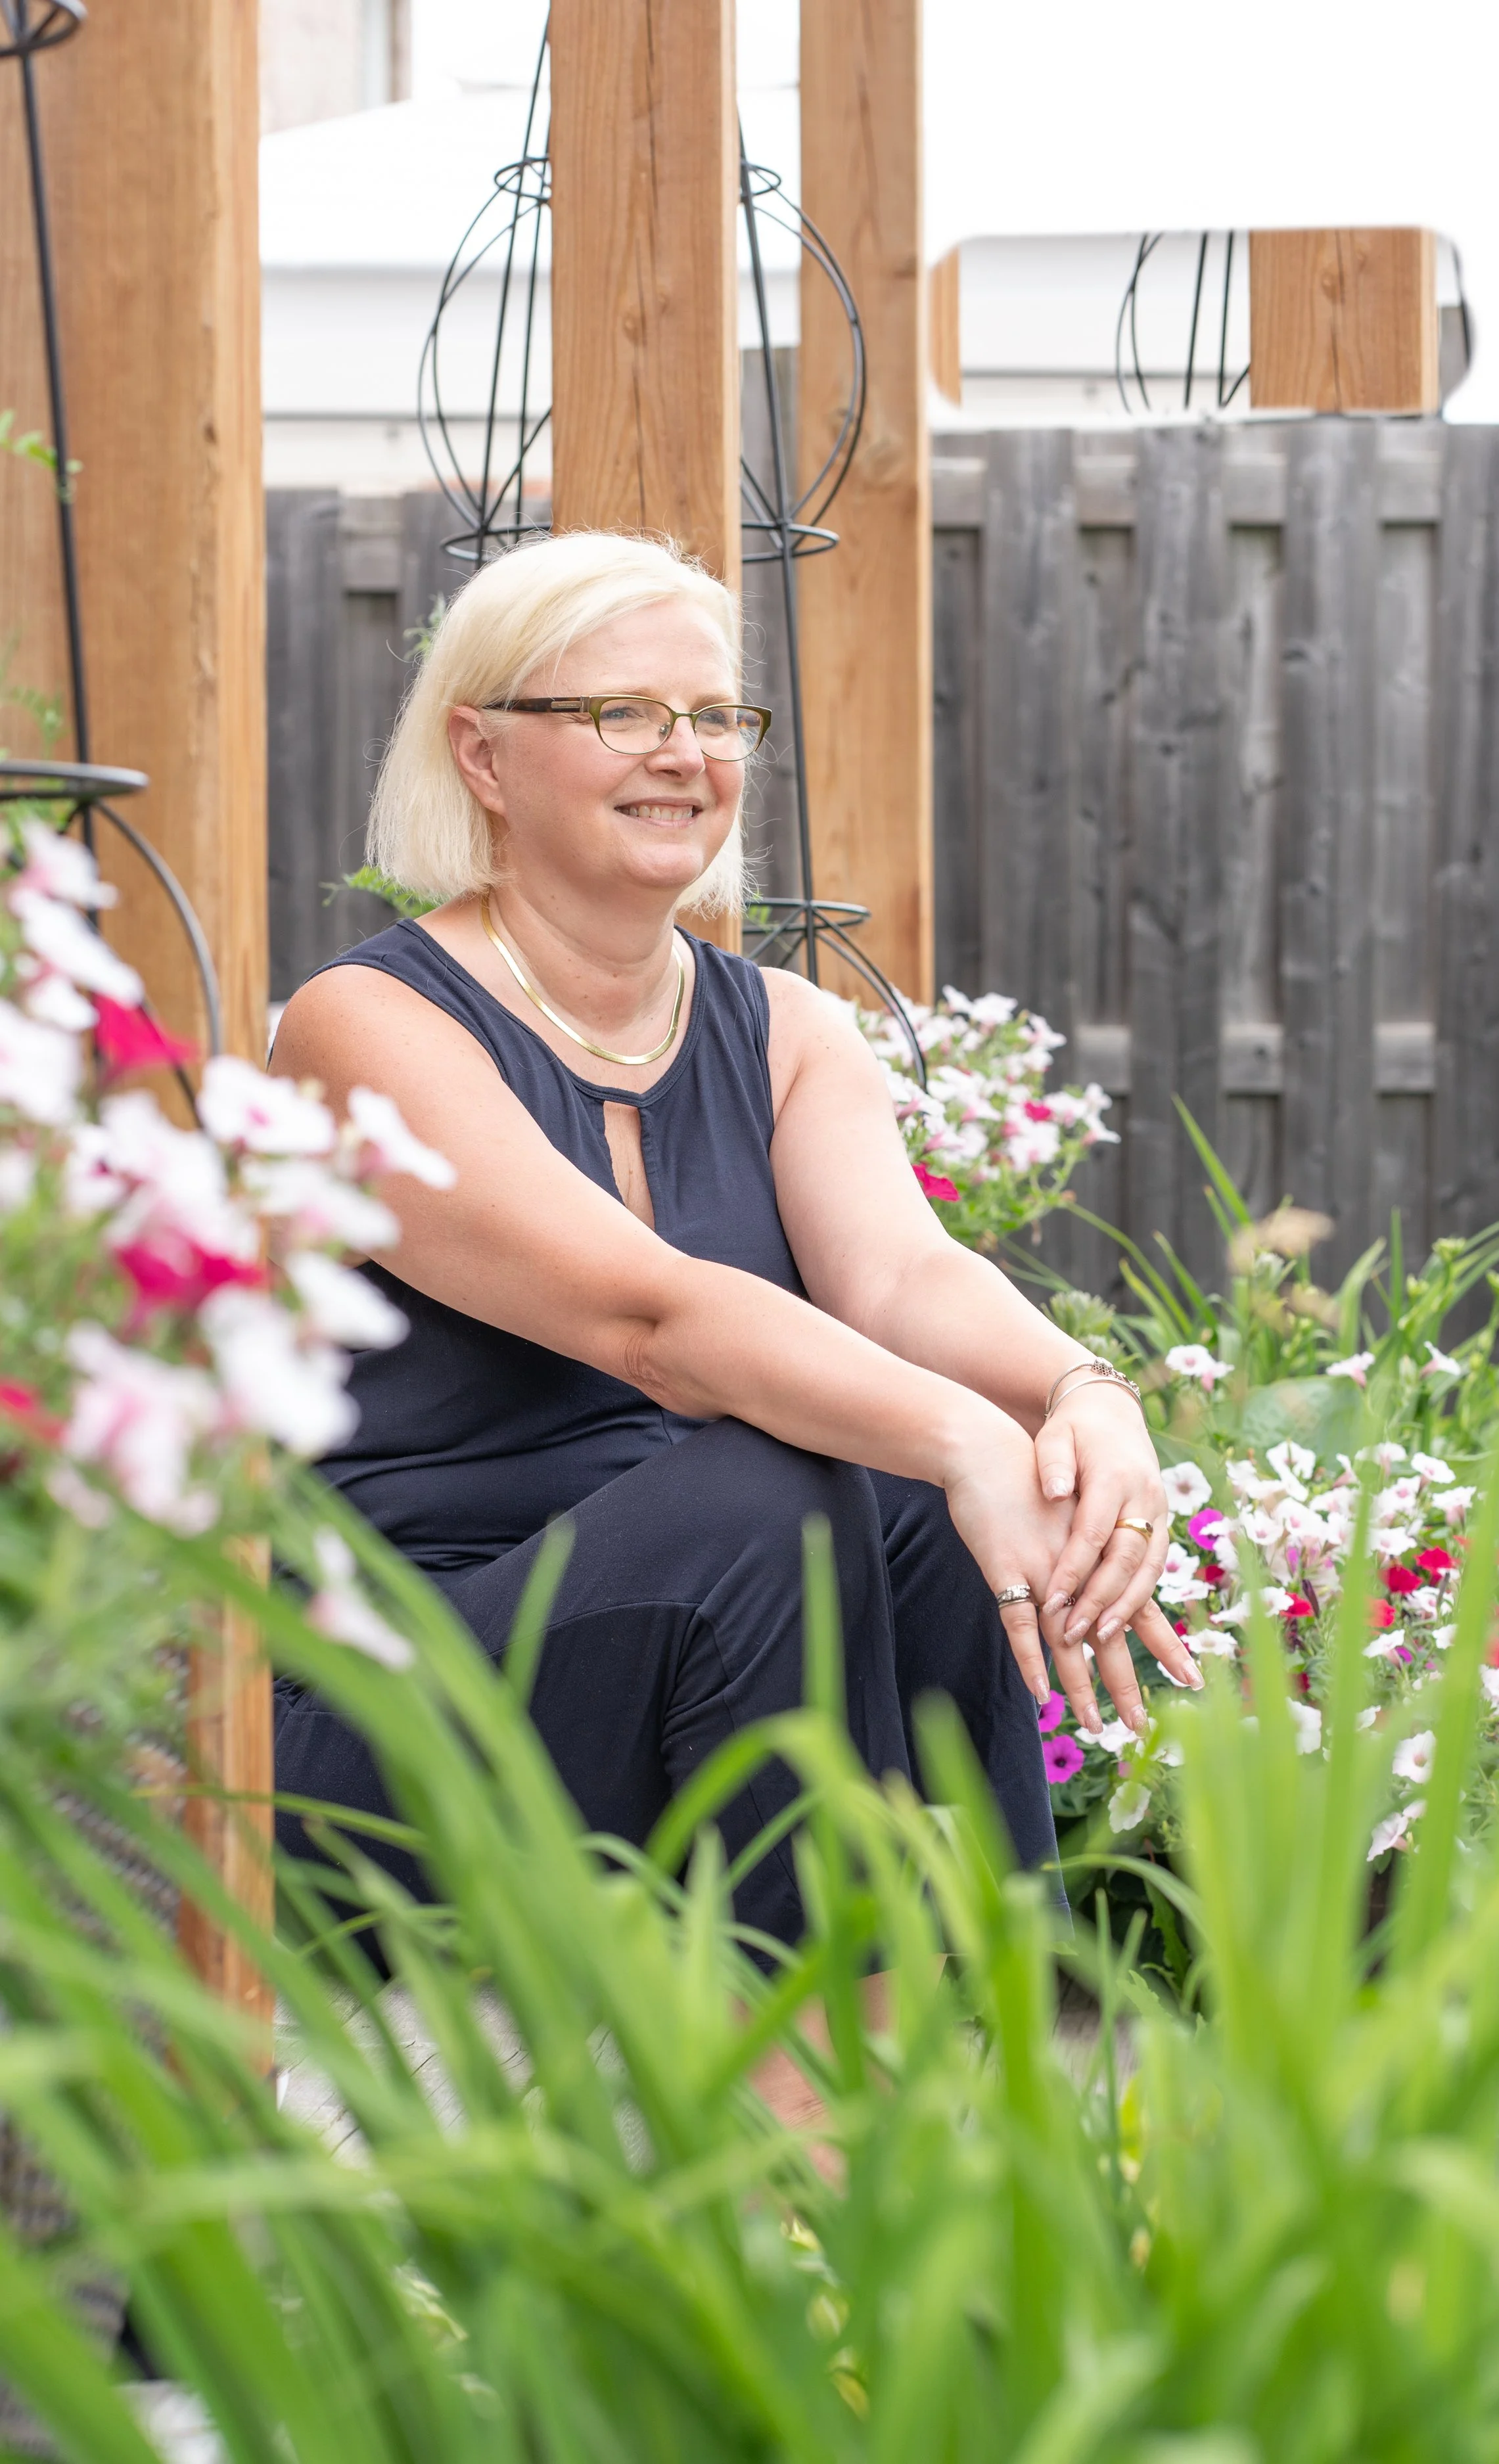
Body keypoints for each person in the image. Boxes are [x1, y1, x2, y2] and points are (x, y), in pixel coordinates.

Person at [271, 528, 1197, 1969]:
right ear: (484, 755)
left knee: (894, 1503)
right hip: (409, 1715)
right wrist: (957, 1438)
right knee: (795, 1478)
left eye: (713, 717)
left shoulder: (784, 1031)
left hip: (712, 1647)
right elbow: (648, 1319)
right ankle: (779, 2133)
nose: (684, 753)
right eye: (620, 713)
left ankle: (990, 2035)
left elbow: (903, 1278)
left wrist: (1083, 1396)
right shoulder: (367, 1025)